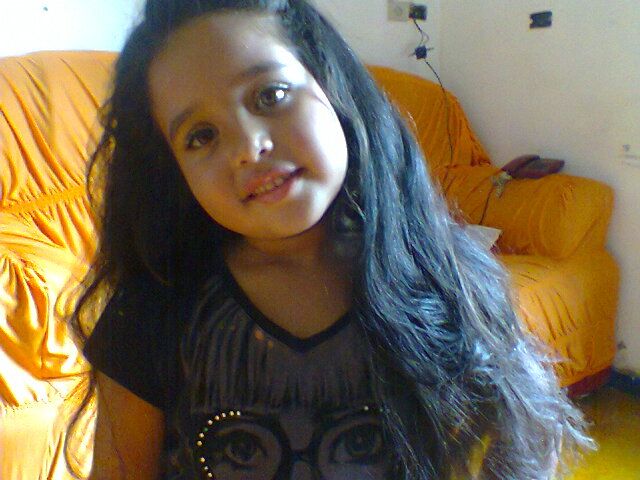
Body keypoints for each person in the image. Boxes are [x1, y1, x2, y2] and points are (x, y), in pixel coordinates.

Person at [70, 0, 593, 478]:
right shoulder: (152, 311)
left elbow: (522, 440)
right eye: (201, 136)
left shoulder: (446, 278)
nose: (249, 146)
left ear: (333, 88)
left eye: (270, 95)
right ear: (173, 173)